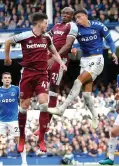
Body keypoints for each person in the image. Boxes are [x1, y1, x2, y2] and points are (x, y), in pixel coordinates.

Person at [4, 12, 67, 152]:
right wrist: (7, 58)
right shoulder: (25, 36)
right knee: (23, 107)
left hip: (42, 75)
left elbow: (55, 52)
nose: (47, 25)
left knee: (44, 104)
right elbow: (7, 42)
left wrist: (61, 63)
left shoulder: (47, 38)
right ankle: (21, 138)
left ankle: (42, 139)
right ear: (39, 23)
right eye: (45, 23)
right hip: (27, 74)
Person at [48, 9, 118, 128]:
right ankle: (95, 116)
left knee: (77, 81)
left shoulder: (98, 25)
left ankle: (61, 109)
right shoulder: (76, 29)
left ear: (86, 16)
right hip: (84, 61)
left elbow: (110, 41)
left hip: (97, 60)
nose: (77, 20)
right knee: (86, 95)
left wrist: (113, 52)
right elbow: (66, 41)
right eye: (76, 18)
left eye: (79, 17)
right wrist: (71, 49)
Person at [34, 7, 78, 136]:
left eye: (67, 13)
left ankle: (45, 126)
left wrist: (56, 57)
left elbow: (68, 45)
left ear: (72, 15)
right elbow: (47, 37)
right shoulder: (57, 26)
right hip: (51, 57)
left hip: (60, 60)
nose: (64, 15)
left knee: (53, 90)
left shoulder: (72, 26)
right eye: (63, 13)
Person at [0, 72, 27, 166]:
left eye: (9, 78)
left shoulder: (16, 89)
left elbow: (24, 97)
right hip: (1, 120)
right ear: (2, 80)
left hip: (14, 120)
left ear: (11, 79)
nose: (7, 79)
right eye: (5, 78)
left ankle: (24, 162)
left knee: (19, 139)